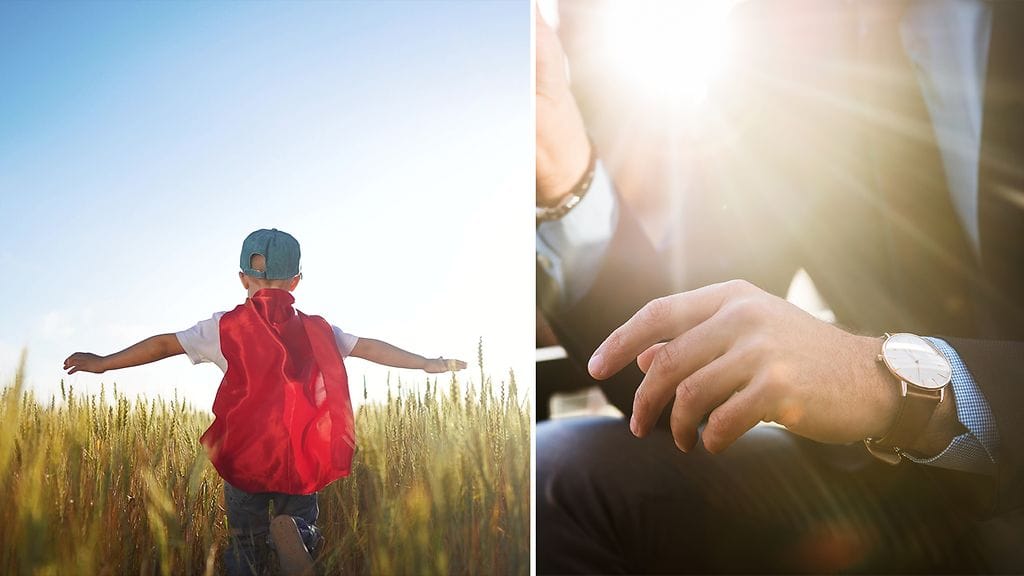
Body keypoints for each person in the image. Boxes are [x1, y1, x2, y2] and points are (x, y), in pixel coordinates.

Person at [536, 0, 1023, 573]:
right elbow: (678, 358)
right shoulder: (794, 45)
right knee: (556, 479)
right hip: (895, 492)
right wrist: (564, 166)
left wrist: (886, 383)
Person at [63, 228, 467, 576]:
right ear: (295, 282)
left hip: (245, 458)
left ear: (243, 279)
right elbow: (372, 349)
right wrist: (427, 363)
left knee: (245, 543)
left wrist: (104, 363)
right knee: (300, 521)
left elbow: (164, 344)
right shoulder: (319, 330)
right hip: (301, 456)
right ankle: (299, 536)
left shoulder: (223, 327)